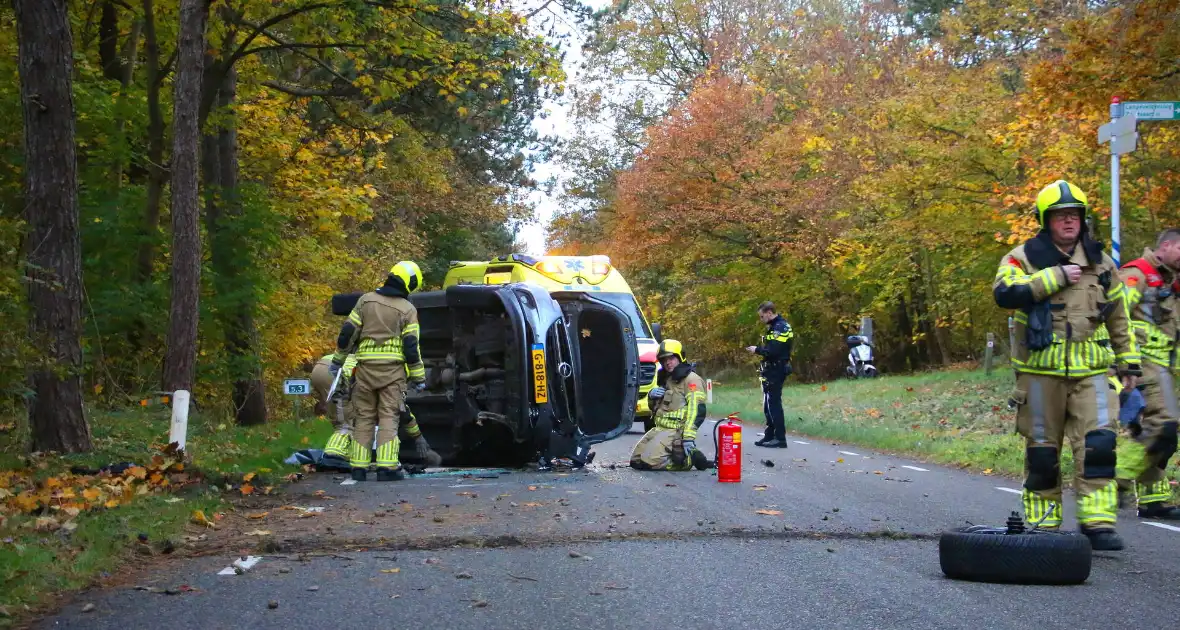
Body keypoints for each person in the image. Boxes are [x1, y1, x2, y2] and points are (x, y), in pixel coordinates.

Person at [992, 179, 1140, 550]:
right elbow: (1005, 293)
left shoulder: (1101, 263)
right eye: (1061, 216)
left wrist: (1129, 364)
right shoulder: (1021, 257)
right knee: (1043, 453)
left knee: (1099, 447)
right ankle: (1044, 525)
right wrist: (1054, 277)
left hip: (1093, 372)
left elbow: (1119, 317)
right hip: (1040, 374)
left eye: (1074, 215)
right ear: (1046, 220)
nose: (1069, 221)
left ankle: (1098, 525)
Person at [332, 260, 428, 481]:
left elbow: (347, 333)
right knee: (388, 416)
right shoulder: (407, 309)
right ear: (409, 284)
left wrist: (338, 361)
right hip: (392, 373)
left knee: (363, 417)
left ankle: (358, 467)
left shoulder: (365, 301)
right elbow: (411, 347)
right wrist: (418, 376)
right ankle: (387, 467)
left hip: (364, 371)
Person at [1113, 228, 1180, 520]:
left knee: (1161, 433)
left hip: (1166, 365)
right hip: (1143, 364)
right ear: (1165, 246)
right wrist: (1123, 365)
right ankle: (1114, 480)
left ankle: (1155, 499)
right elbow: (1115, 316)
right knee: (1163, 424)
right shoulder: (1136, 274)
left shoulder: (1170, 281)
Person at [630, 339, 710, 471]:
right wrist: (651, 395)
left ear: (680, 357)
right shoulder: (667, 378)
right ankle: (672, 455)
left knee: (651, 463)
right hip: (660, 428)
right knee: (636, 462)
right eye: (664, 359)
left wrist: (688, 438)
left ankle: (686, 460)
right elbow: (655, 408)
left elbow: (696, 411)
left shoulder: (692, 379)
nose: (667, 362)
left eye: (671, 358)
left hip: (676, 431)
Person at [745, 301, 793, 448]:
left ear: (769, 313)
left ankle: (780, 438)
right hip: (770, 369)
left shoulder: (780, 328)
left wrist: (756, 350)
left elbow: (774, 351)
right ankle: (770, 435)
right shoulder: (774, 327)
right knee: (767, 404)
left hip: (776, 369)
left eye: (762, 316)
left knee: (774, 404)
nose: (761, 320)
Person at [311, 352, 359, 470]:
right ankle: (333, 456)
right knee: (345, 423)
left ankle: (343, 452)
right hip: (337, 372)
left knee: (338, 417)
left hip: (320, 367)